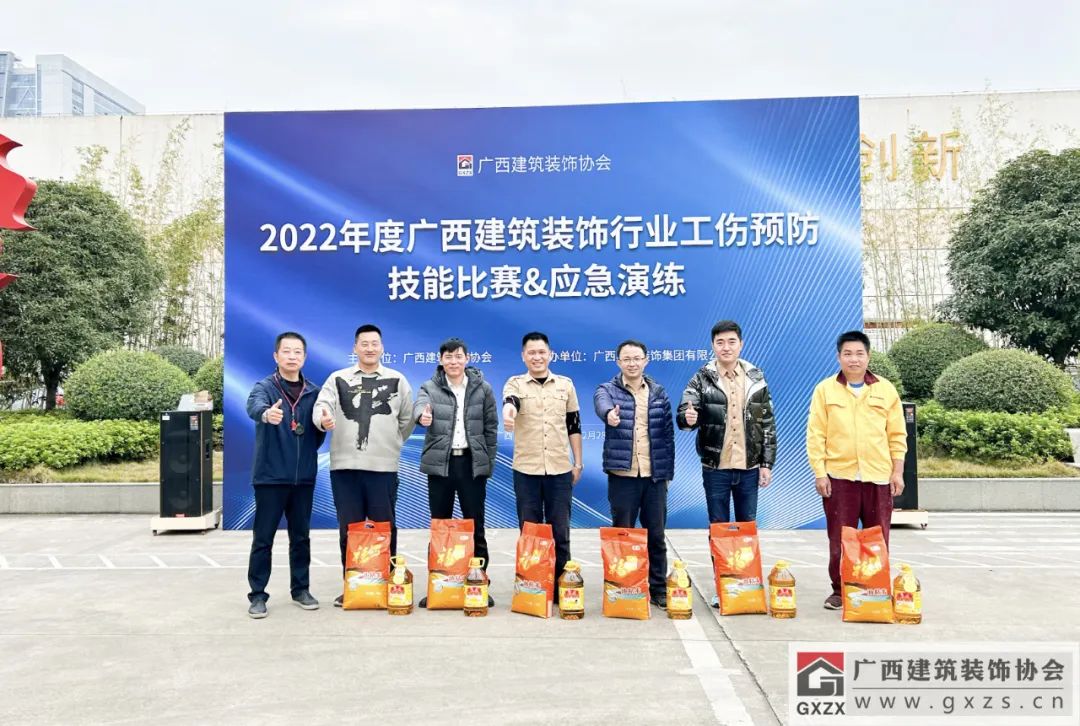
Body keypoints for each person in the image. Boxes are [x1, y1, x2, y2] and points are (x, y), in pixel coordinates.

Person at [313, 324, 415, 608]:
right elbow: (322, 406)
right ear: (355, 348)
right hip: (345, 467)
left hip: (383, 467)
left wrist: (393, 442)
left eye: (375, 343)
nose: (370, 348)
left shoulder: (397, 380)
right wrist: (323, 420)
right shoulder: (338, 379)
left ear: (382, 348)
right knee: (350, 529)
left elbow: (407, 419)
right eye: (364, 344)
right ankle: (353, 586)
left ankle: (388, 583)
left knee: (385, 528)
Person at [677, 320, 777, 607]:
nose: (726, 347)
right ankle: (724, 588)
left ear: (740, 344)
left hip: (749, 468)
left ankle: (747, 588)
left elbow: (767, 422)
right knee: (719, 530)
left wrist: (766, 463)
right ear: (713, 345)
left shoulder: (756, 377)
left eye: (731, 342)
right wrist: (688, 418)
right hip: (715, 468)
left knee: (747, 530)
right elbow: (685, 410)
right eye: (720, 342)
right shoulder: (702, 377)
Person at [806, 330, 907, 611]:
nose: (854, 359)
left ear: (868, 356)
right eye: (848, 354)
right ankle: (840, 590)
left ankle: (876, 588)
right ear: (838, 357)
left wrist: (897, 471)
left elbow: (897, 434)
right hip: (840, 477)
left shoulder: (885, 390)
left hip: (878, 476)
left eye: (859, 353)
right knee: (839, 539)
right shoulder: (825, 390)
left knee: (878, 538)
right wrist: (820, 472)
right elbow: (816, 435)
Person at [244, 331, 326, 619]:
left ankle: (301, 589)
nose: (292, 356)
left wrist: (325, 423)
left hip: (303, 478)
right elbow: (253, 406)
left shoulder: (314, 392)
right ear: (276, 356)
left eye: (297, 352)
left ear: (304, 357)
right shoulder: (265, 387)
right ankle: (257, 595)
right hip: (270, 478)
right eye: (286, 351)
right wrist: (266, 414)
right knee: (263, 539)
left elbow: (319, 426)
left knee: (301, 537)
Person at [414, 337, 499, 608]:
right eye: (448, 357)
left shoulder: (483, 388)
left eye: (458, 356)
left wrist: (487, 463)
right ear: (441, 360)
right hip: (441, 465)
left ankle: (479, 583)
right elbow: (420, 406)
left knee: (475, 527)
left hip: (471, 465)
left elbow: (491, 428)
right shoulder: (429, 387)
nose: (453, 361)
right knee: (440, 528)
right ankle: (438, 586)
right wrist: (422, 416)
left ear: (467, 359)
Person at [593, 339, 675, 609]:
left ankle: (658, 588)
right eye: (626, 359)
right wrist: (609, 415)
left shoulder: (658, 392)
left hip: (654, 477)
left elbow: (667, 436)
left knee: (656, 536)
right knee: (623, 536)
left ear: (645, 361)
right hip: (623, 477)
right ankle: (623, 587)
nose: (632, 363)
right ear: (618, 362)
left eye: (637, 358)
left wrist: (666, 473)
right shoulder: (607, 390)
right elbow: (601, 404)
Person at [502, 331, 583, 590]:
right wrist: (509, 413)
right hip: (526, 470)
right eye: (531, 353)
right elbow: (510, 402)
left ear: (550, 355)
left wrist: (578, 462)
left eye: (541, 352)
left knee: (560, 531)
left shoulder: (565, 385)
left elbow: (574, 426)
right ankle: (533, 586)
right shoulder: (515, 383)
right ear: (523, 356)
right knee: (530, 531)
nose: (537, 357)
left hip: (560, 469)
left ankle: (561, 586)